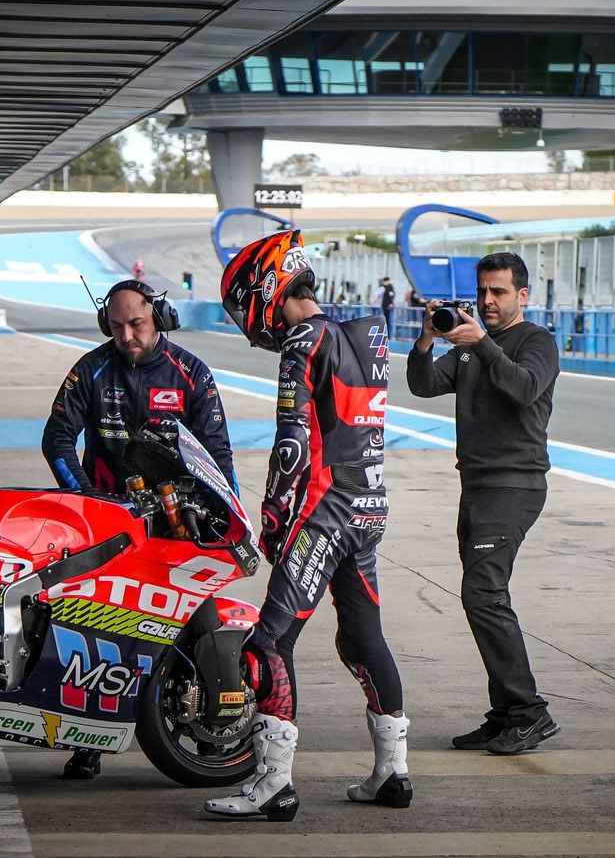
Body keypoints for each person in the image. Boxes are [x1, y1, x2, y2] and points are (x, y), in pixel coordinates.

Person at [205, 230, 410, 822]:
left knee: (268, 641)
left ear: (268, 287)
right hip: (369, 507)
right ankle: (392, 772)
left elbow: (293, 444)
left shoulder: (302, 340)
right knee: (363, 638)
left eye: (245, 303)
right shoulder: (370, 335)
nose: (249, 320)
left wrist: (270, 518)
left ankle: (273, 783)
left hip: (322, 512)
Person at [40, 279, 237, 780]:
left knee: (200, 622)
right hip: (107, 525)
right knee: (92, 630)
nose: (127, 335)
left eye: (137, 324)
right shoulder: (91, 368)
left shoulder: (192, 373)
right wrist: (88, 500)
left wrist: (226, 519)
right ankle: (88, 740)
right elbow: (56, 439)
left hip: (177, 525)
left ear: (160, 317)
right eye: (116, 326)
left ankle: (217, 727)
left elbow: (219, 455)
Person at [405, 251, 561, 756]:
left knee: (484, 594)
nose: (488, 301)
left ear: (522, 296)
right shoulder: (469, 343)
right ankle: (505, 714)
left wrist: (482, 344)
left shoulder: (536, 341)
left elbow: (524, 388)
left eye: (498, 292)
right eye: (483, 292)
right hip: (476, 484)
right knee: (481, 596)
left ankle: (529, 712)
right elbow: (423, 384)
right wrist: (428, 338)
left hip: (514, 485)